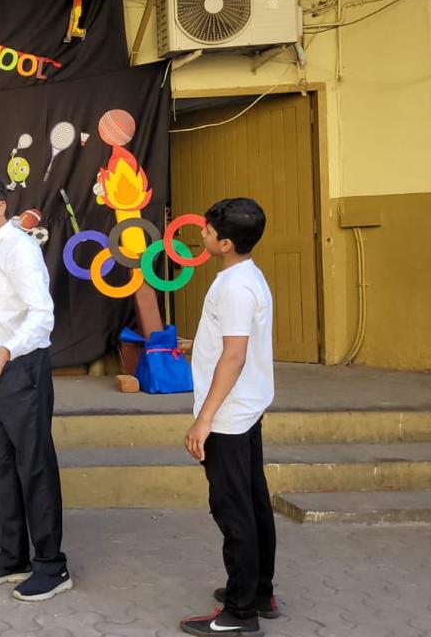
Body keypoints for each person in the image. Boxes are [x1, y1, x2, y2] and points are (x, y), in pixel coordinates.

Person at [0, 175, 71, 602]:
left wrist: (6, 350)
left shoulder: (18, 248)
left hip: (19, 368)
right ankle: (13, 556)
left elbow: (42, 314)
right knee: (0, 467)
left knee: (33, 466)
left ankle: (51, 565)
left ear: (1, 205)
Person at [180, 198, 278, 637]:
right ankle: (259, 591)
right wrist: (197, 344)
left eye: (207, 230)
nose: (201, 233)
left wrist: (204, 419)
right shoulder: (246, 275)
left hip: (229, 416)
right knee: (254, 502)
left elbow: (234, 356)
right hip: (246, 407)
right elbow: (230, 342)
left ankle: (240, 612)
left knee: (233, 510)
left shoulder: (234, 287)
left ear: (225, 243)